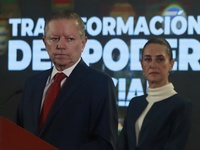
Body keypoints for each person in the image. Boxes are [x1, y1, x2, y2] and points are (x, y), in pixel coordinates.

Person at [17, 10, 118, 150]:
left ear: (83, 43)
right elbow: (19, 135)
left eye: (69, 39)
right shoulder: (32, 84)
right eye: (54, 38)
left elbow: (105, 144)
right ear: (45, 42)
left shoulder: (100, 83)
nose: (61, 45)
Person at [117, 37, 192, 150]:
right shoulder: (135, 103)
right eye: (147, 59)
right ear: (142, 65)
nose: (153, 65)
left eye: (160, 59)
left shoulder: (181, 105)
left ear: (171, 64)